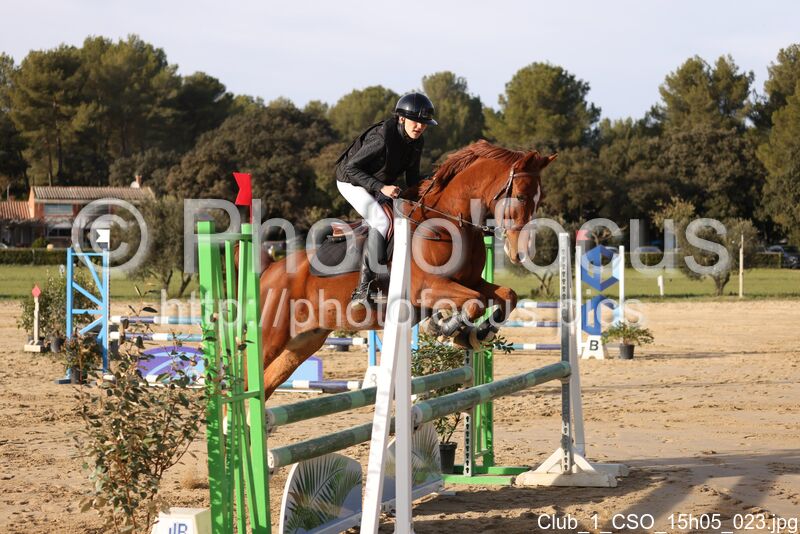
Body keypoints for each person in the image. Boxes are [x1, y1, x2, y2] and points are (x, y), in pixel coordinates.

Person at [335, 92, 437, 309]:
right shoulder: (382, 137)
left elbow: (412, 179)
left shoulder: (416, 142)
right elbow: (352, 169)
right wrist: (382, 187)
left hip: (376, 183)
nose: (420, 127)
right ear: (402, 118)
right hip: (350, 181)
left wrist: (435, 183)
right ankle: (363, 289)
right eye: (415, 121)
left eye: (424, 124)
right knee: (381, 221)